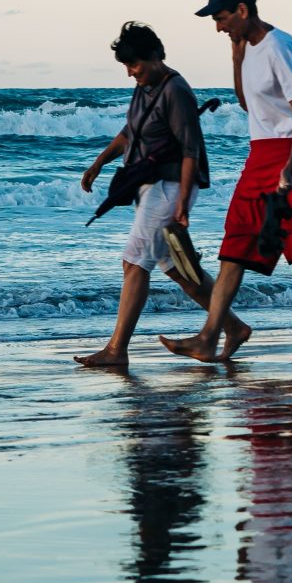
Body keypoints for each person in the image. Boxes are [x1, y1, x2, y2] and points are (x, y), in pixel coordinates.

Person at [162, 0, 292, 364]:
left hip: (289, 153)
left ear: (243, 10)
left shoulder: (281, 47)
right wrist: (235, 58)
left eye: (222, 17)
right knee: (236, 244)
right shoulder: (247, 49)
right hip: (259, 154)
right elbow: (250, 106)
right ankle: (210, 336)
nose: (218, 26)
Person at [74, 22, 249, 369]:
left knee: (134, 261)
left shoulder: (175, 90)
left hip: (170, 187)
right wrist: (98, 163)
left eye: (134, 64)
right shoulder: (145, 87)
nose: (130, 72)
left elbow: (190, 151)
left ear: (154, 56)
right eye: (126, 66)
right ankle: (233, 326)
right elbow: (131, 132)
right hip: (149, 187)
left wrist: (183, 203)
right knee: (179, 270)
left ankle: (116, 349)